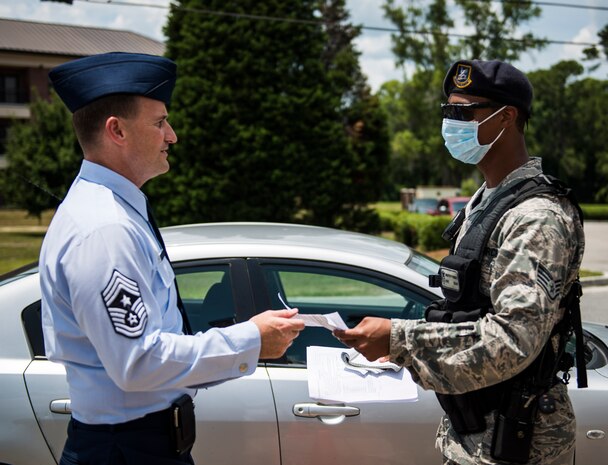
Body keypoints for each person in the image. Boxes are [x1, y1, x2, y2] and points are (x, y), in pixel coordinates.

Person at [39, 52, 305, 465]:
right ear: (117, 131)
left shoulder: (113, 212)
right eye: (160, 122)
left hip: (137, 443)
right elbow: (139, 362)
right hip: (126, 450)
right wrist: (251, 339)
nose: (172, 136)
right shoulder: (105, 228)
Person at [334, 59, 585, 465]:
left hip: (517, 446)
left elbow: (513, 340)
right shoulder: (488, 201)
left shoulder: (536, 217)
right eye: (447, 112)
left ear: (507, 117)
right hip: (474, 433)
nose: (451, 124)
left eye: (464, 113)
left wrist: (401, 340)